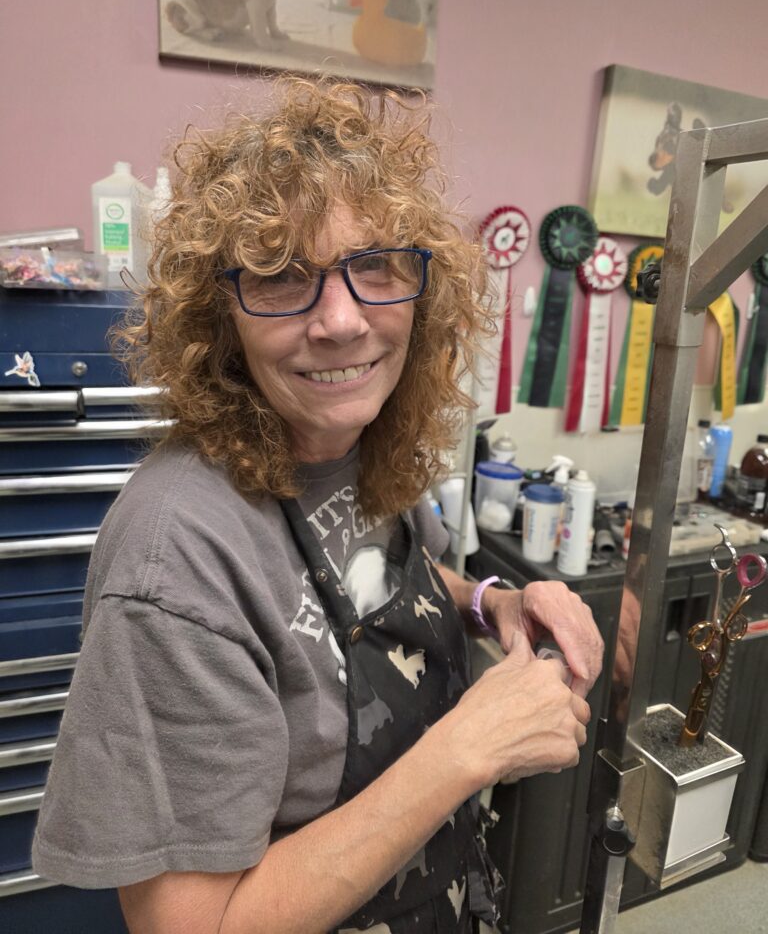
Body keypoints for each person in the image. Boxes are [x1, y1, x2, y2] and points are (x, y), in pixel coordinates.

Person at [32, 77, 603, 934]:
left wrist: (492, 602)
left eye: (374, 265)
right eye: (278, 275)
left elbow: (377, 581)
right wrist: (466, 749)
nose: (340, 321)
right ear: (218, 316)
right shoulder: (177, 556)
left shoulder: (350, 442)